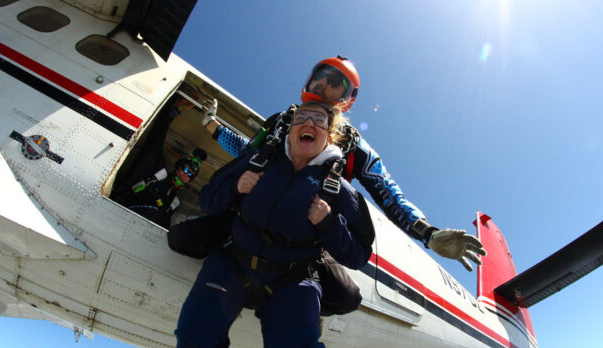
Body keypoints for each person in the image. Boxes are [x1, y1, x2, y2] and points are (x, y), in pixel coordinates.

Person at [173, 101, 373, 348]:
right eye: (302, 118)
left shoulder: (340, 190)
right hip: (233, 260)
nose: (309, 123)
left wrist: (329, 224)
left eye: (319, 120)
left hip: (292, 275)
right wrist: (235, 185)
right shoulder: (259, 161)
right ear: (292, 126)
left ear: (329, 135)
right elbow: (209, 198)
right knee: (193, 337)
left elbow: (359, 253)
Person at [199, 55, 486, 271]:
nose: (323, 84)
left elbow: (388, 194)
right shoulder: (282, 121)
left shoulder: (354, 146)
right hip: (254, 221)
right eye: (319, 76)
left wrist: (428, 233)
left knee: (346, 295)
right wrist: (212, 125)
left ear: (347, 97)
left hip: (305, 236)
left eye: (335, 82)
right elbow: (248, 154)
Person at [116, 147, 207, 228]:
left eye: (190, 175)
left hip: (143, 223)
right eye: (185, 169)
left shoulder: (176, 201)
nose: (185, 174)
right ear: (178, 167)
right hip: (129, 207)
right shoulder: (161, 175)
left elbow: (163, 218)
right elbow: (134, 189)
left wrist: (158, 199)